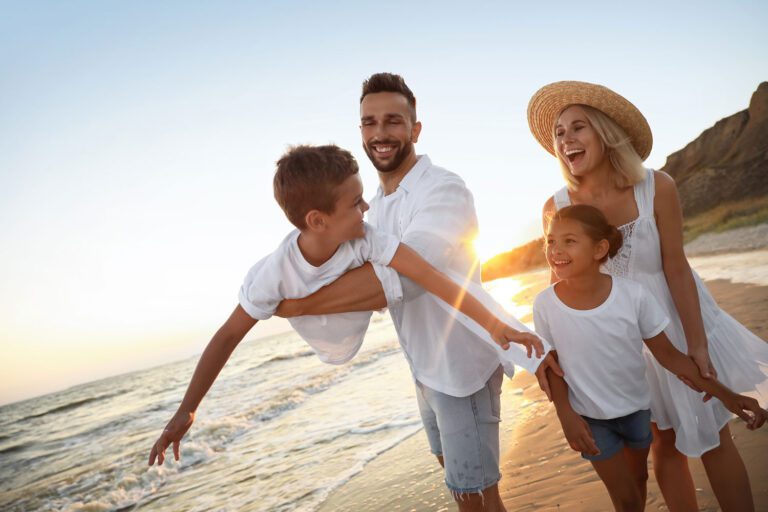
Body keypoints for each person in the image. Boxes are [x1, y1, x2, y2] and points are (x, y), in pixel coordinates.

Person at [148, 143, 547, 469]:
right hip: (328, 346)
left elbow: (429, 276)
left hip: (378, 330)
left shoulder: (366, 238)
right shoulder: (273, 276)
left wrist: (495, 326)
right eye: (356, 203)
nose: (367, 209)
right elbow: (229, 335)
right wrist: (187, 410)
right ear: (318, 221)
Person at [274, 73, 561, 512]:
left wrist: (295, 306)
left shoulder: (443, 189)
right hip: (423, 366)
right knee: (458, 482)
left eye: (393, 121)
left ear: (415, 129)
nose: (380, 133)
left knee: (477, 497)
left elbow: (403, 279)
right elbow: (340, 268)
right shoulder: (373, 203)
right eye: (369, 123)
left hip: (461, 365)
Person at [528, 80, 768, 511]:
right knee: (665, 442)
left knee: (714, 433)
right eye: (559, 133)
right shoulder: (556, 204)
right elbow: (559, 283)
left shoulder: (657, 187)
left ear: (604, 132)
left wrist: (696, 343)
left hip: (677, 318)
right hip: (617, 339)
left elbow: (676, 267)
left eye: (577, 127)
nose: (565, 140)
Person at [533, 204, 767, 512]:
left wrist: (728, 396)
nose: (555, 250)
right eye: (550, 240)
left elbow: (670, 356)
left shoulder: (633, 296)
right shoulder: (545, 304)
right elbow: (553, 366)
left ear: (599, 248)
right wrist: (566, 415)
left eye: (569, 241)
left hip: (637, 412)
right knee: (627, 499)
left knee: (639, 479)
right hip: (589, 420)